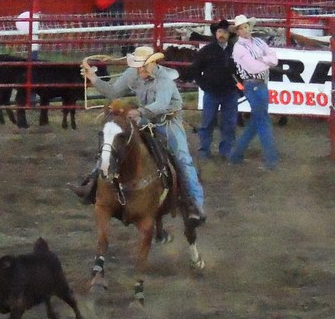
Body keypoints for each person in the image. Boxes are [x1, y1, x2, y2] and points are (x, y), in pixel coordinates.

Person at [77, 46, 207, 224]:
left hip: (168, 122)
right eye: (138, 66)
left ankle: (195, 204)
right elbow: (114, 92)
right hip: (144, 119)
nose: (140, 69)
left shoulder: (164, 80)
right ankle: (92, 183)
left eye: (144, 65)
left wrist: (139, 112)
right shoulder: (134, 72)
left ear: (154, 63)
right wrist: (93, 78)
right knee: (115, 142)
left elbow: (161, 105)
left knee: (183, 158)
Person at [182, 19, 239, 159]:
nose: (222, 34)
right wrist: (204, 85)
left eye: (225, 32)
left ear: (228, 35)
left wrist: (238, 88)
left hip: (229, 92)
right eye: (219, 31)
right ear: (215, 33)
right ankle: (205, 150)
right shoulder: (207, 50)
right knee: (208, 123)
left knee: (229, 124)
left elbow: (242, 71)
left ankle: (224, 150)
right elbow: (195, 69)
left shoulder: (235, 50)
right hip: (212, 92)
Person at [228, 14, 279, 170]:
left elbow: (274, 59)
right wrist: (266, 60)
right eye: (241, 28)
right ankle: (270, 160)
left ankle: (236, 155)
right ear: (237, 31)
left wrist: (263, 61)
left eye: (246, 26)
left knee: (257, 122)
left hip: (259, 84)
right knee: (263, 121)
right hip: (253, 85)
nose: (245, 30)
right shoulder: (239, 48)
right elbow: (253, 67)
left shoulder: (256, 42)